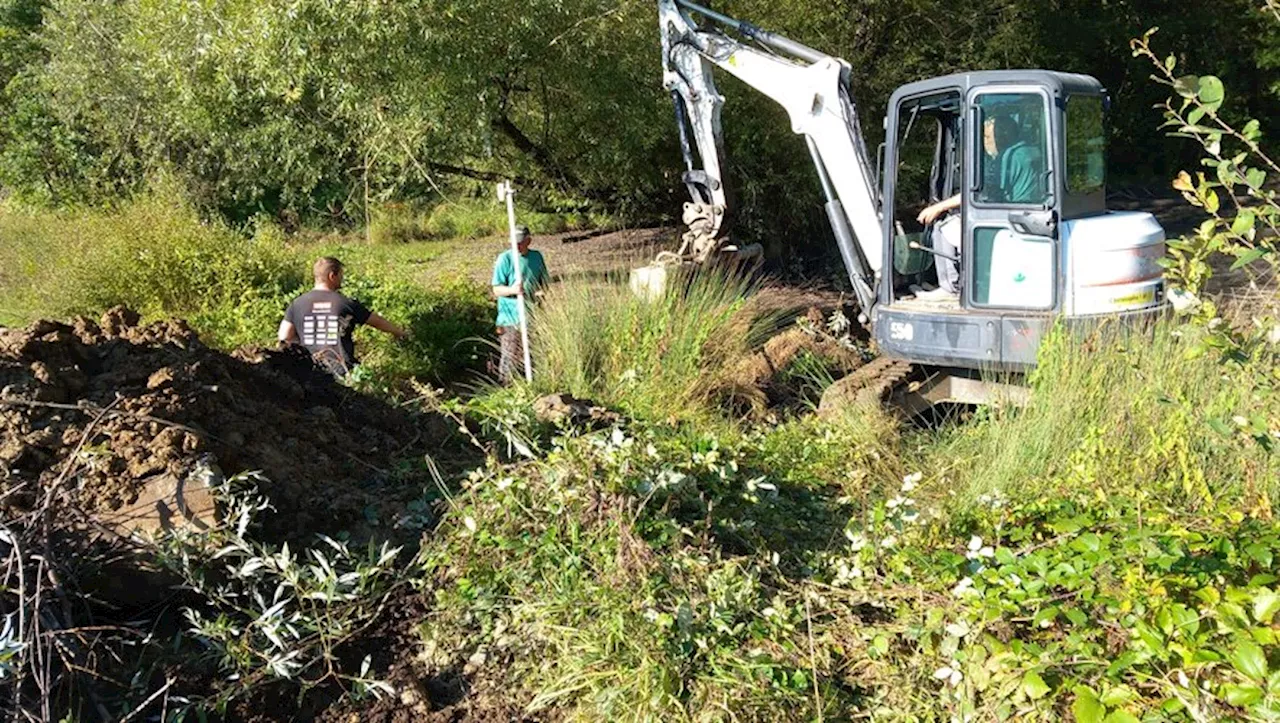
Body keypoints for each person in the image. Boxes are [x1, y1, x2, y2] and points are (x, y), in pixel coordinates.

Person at [915, 115, 1040, 297]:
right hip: (1027, 215)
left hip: (1006, 221)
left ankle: (950, 286)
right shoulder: (1031, 151)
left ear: (1002, 134)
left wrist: (938, 207)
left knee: (943, 226)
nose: (986, 142)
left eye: (988, 137)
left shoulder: (1007, 158)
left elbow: (978, 193)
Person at [278, 257, 406, 377]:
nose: (342, 279)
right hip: (342, 370)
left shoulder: (297, 303)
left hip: (310, 371)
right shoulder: (346, 303)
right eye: (341, 275)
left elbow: (284, 336)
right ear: (332, 276)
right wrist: (399, 332)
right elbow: (377, 321)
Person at [491, 225, 549, 384]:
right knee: (510, 357)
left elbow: (543, 283)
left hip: (532, 316)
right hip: (509, 318)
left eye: (520, 242)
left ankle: (533, 387)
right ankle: (507, 388)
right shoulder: (505, 259)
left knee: (532, 355)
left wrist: (541, 293)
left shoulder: (537, 257)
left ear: (528, 241)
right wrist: (512, 290)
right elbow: (496, 289)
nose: (516, 246)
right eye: (513, 242)